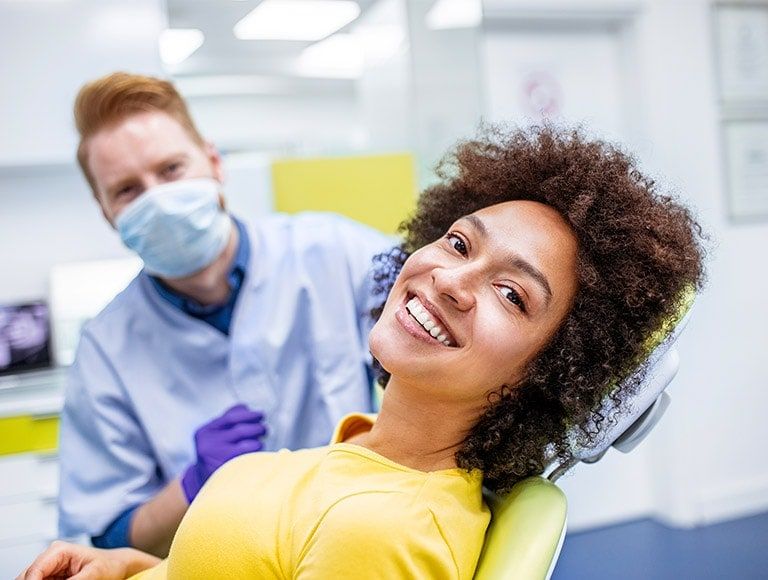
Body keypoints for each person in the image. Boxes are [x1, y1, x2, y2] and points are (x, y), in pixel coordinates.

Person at [22, 125, 706, 579]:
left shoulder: (384, 529)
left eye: (511, 294)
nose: (449, 279)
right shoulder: (359, 459)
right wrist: (135, 569)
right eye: (460, 244)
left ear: (549, 373)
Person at [56, 72, 393, 556]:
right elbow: (110, 535)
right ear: (106, 211)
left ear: (214, 162)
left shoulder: (337, 253)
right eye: (128, 190)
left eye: (171, 170)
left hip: (360, 544)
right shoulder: (105, 350)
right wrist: (195, 483)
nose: (158, 199)